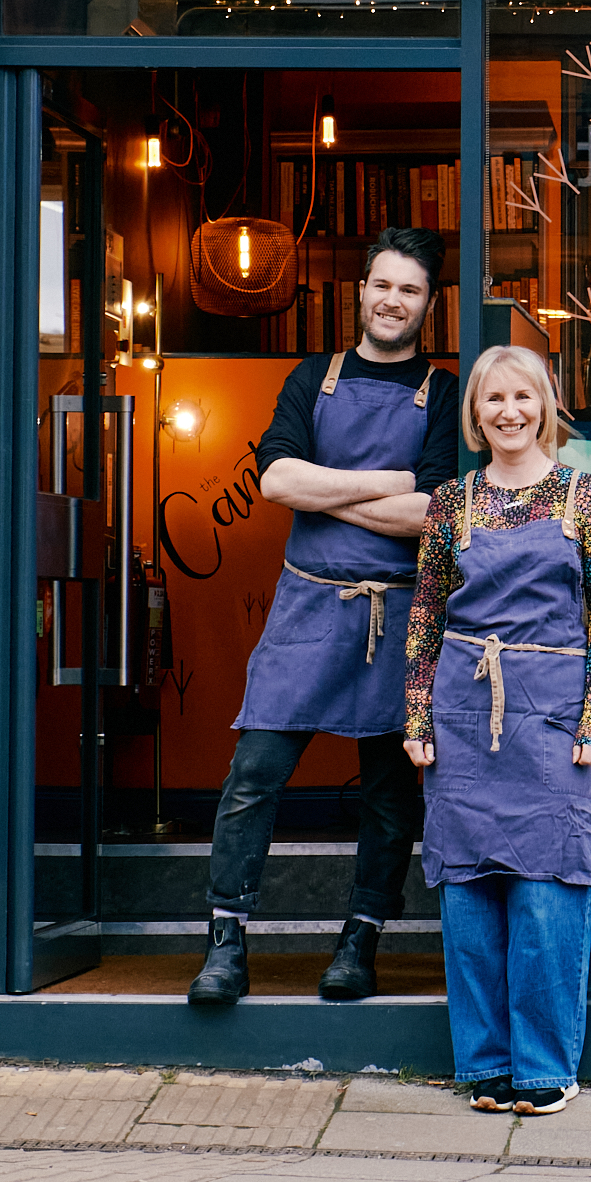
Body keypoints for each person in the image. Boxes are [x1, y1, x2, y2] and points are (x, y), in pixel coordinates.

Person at [187, 227, 457, 1008]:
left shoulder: (442, 393)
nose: (393, 301)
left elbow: (432, 513)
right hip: (307, 604)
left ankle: (359, 942)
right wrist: (388, 482)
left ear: (428, 304)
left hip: (399, 615)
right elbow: (276, 482)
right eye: (383, 285)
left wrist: (328, 489)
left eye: (409, 290)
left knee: (390, 795)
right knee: (253, 775)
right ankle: (226, 943)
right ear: (362, 290)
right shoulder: (313, 377)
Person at [401, 344, 591, 1117]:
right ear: (475, 412)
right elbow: (425, 614)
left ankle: (543, 1069)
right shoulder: (450, 503)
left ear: (545, 407)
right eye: (493, 399)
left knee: (546, 888)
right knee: (467, 891)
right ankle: (487, 1065)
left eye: (522, 397)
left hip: (553, 714)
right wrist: (417, 713)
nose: (509, 412)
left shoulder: (585, 498)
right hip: (464, 715)